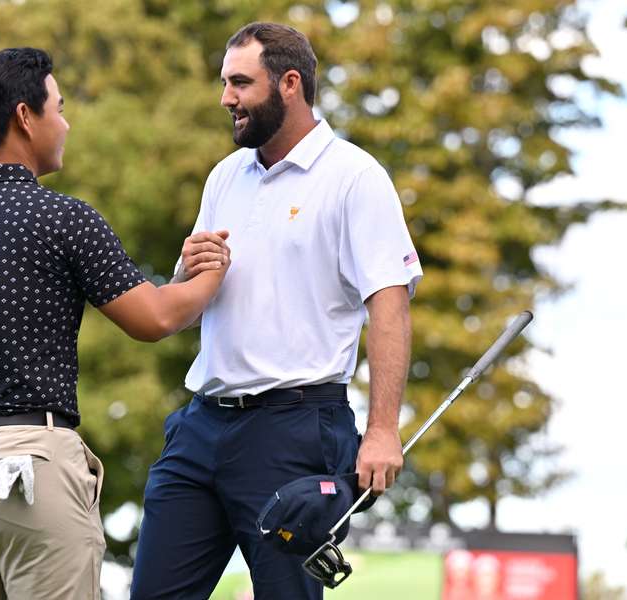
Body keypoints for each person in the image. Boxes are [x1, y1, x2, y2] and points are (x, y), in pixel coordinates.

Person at [0, 47, 230, 600]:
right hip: (27, 465)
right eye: (59, 107)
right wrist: (209, 275)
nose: (66, 122)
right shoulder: (64, 218)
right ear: (25, 117)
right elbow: (155, 319)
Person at [130, 23, 423, 599]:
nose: (226, 99)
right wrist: (185, 273)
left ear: (291, 83)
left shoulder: (355, 177)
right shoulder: (224, 176)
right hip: (200, 426)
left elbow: (389, 307)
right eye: (224, 83)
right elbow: (187, 310)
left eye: (240, 82)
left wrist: (384, 431)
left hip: (295, 432)